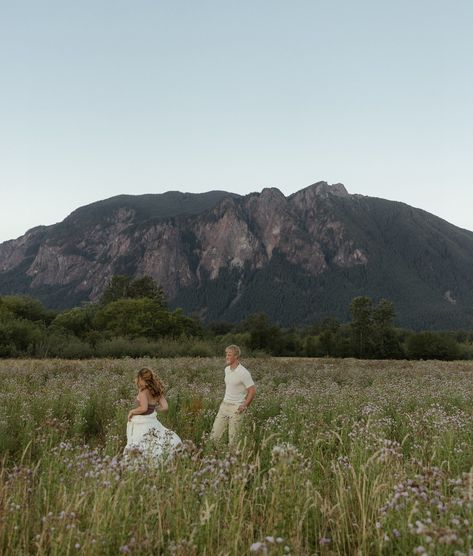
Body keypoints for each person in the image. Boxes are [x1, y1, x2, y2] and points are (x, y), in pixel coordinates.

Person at [124, 367, 181, 459]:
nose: (136, 380)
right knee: (155, 441)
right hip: (152, 421)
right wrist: (153, 409)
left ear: (141, 379)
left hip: (141, 422)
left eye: (137, 378)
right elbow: (165, 407)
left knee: (139, 444)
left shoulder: (143, 392)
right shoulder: (157, 391)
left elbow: (143, 408)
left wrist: (132, 411)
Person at [210, 344, 256, 446]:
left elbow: (252, 390)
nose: (227, 357)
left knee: (233, 440)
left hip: (236, 408)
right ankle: (218, 458)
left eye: (229, 355)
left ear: (236, 356)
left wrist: (245, 405)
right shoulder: (226, 370)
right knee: (214, 437)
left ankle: (233, 460)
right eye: (226, 354)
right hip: (224, 406)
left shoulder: (243, 372)